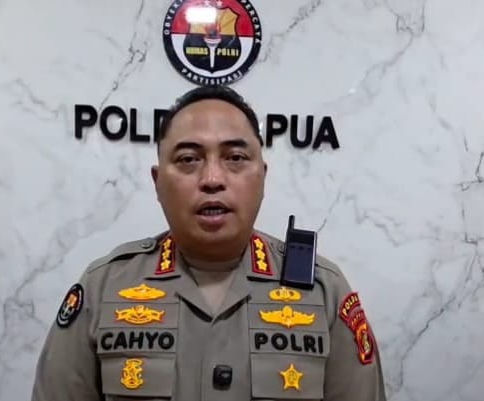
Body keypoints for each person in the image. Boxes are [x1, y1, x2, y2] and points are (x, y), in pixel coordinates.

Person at [30, 85, 387, 401]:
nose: (213, 179)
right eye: (188, 159)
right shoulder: (104, 287)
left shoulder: (323, 291)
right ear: (157, 182)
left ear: (262, 176)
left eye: (235, 158)